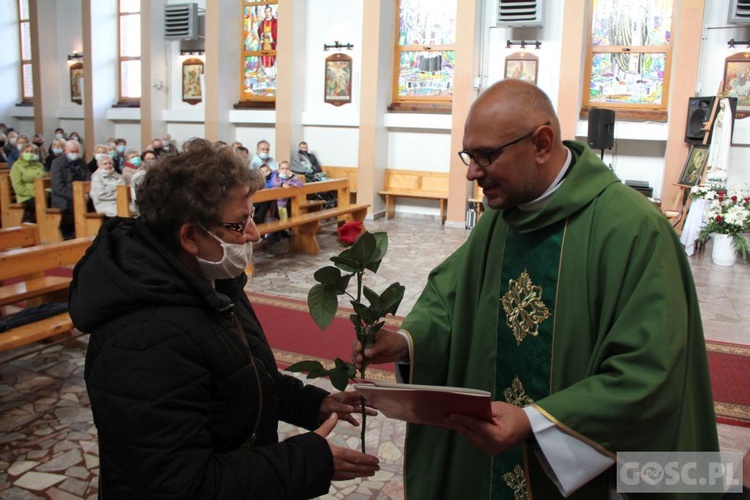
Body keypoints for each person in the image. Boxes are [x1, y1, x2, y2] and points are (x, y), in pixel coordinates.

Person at [356, 80, 718, 499]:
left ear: (542, 143)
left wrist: (534, 422)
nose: (472, 172)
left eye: (485, 156)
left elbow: (650, 371)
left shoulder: (633, 230)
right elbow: (451, 298)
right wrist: (404, 341)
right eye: (468, 157)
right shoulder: (498, 219)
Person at [69, 138, 379, 498]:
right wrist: (306, 461)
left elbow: (241, 375)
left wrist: (311, 403)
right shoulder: (144, 339)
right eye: (239, 223)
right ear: (190, 236)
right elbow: (179, 486)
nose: (254, 233)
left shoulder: (213, 282)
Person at [50, 139, 90, 239]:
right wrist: (76, 196)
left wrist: (86, 193)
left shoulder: (81, 163)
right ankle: (69, 237)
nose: (75, 154)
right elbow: (58, 187)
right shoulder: (57, 163)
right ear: (65, 151)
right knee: (70, 208)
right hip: (64, 197)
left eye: (77, 152)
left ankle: (88, 233)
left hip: (82, 195)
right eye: (72, 152)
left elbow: (88, 178)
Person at [9, 143, 46, 222]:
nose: (29, 153)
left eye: (32, 152)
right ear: (21, 153)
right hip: (26, 196)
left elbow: (45, 180)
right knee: (37, 203)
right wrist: (36, 193)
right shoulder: (16, 166)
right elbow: (18, 188)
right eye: (27, 151)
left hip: (42, 193)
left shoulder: (39, 165)